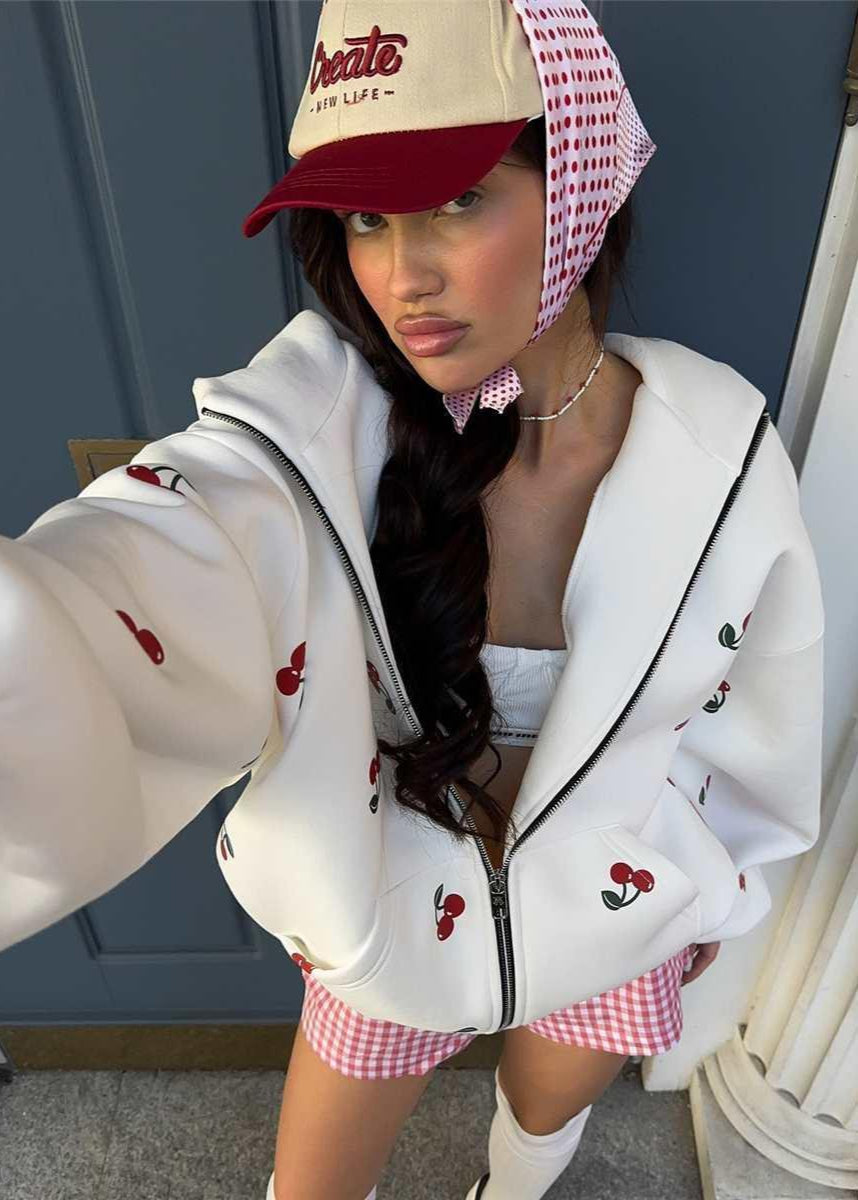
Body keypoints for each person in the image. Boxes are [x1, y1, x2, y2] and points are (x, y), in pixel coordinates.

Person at [0, 3, 825, 1200]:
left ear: (580, 177)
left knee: (538, 1130)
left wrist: (702, 894)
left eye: (456, 200)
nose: (400, 275)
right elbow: (150, 566)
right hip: (387, 929)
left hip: (618, 920)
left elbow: (763, 723)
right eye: (366, 219)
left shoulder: (722, 454)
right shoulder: (309, 428)